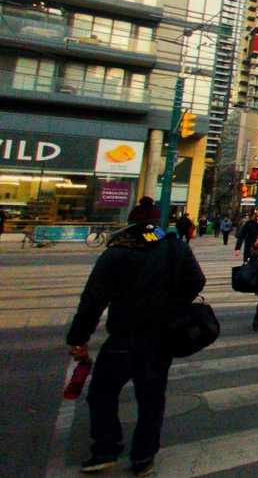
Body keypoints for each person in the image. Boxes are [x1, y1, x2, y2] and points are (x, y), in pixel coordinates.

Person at [66, 202, 205, 475]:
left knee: (102, 394)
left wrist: (79, 338)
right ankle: (143, 458)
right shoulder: (174, 247)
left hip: (123, 336)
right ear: (157, 222)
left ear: (131, 224)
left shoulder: (118, 251)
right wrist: (173, 305)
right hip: (160, 337)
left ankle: (106, 448)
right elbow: (196, 280)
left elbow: (92, 300)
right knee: (152, 399)